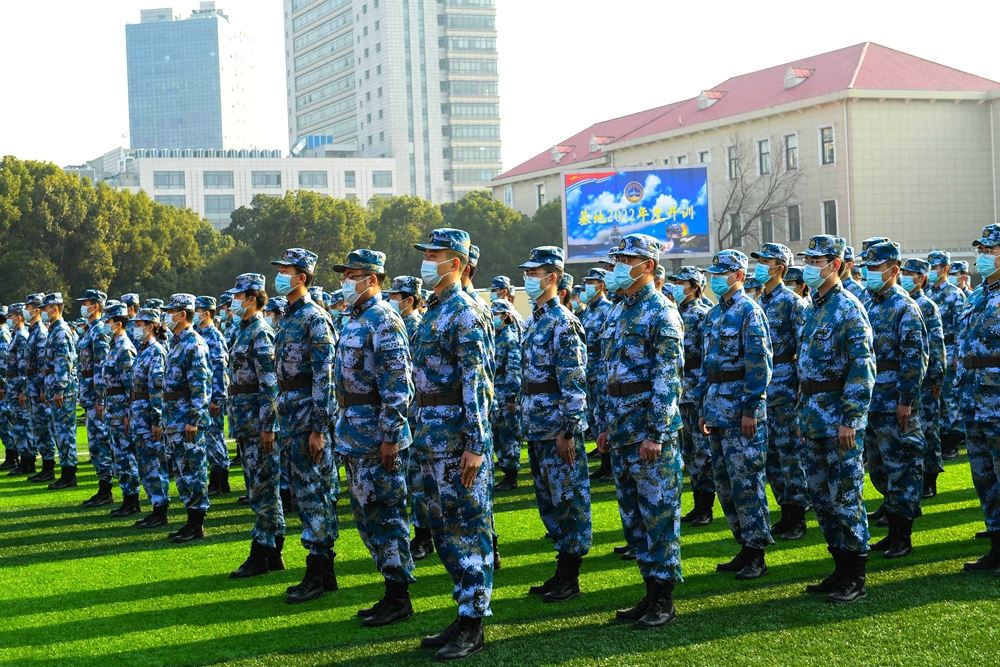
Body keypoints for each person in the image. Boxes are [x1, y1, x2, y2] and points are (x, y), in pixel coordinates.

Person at [410, 228, 493, 660]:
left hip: (458, 441)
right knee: (444, 534)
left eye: (435, 254)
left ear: (456, 263)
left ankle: (474, 623)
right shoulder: (436, 310)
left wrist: (476, 445)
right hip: (431, 438)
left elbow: (476, 385)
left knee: (467, 531)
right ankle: (463, 614)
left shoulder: (465, 313)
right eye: (427, 254)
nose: (427, 261)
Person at [596, 233, 684, 628]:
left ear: (648, 266)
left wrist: (657, 433)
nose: (618, 266)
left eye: (626, 260)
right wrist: (604, 425)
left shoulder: (661, 312)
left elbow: (668, 379)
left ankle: (664, 598)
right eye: (616, 260)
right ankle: (650, 592)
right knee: (634, 519)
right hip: (621, 432)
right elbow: (608, 376)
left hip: (648, 435)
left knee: (658, 516)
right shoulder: (619, 311)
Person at [332, 249, 417, 626]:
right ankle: (390, 590)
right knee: (368, 518)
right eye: (344, 275)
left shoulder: (384, 319)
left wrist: (391, 437)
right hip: (355, 435)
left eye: (351, 276)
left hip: (377, 438)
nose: (345, 281)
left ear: (372, 279)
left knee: (388, 516)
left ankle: (399, 597)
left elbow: (397, 386)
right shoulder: (355, 318)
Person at [796, 234, 875, 603]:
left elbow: (862, 368)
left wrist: (851, 418)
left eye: (817, 261)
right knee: (822, 500)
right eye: (809, 261)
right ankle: (839, 567)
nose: (810, 267)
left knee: (845, 497)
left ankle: (855, 576)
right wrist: (802, 415)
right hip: (813, 418)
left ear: (836, 265)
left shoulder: (848, 308)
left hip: (838, 421)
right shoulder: (814, 308)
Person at [518, 246, 591, 603]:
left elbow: (573, 382)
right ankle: (561, 570)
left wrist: (569, 430)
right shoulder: (535, 320)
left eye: (534, 274)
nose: (528, 279)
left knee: (568, 501)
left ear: (553, 278)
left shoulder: (563, 322)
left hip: (557, 428)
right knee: (550, 501)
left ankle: (570, 577)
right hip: (538, 426)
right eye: (528, 273)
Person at [697, 250, 774, 580]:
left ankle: (756, 552)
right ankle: (743, 545)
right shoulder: (714, 314)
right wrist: (703, 406)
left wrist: (751, 410)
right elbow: (707, 366)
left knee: (747, 483)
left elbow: (759, 365)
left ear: (739, 276)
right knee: (725, 485)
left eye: (722, 273)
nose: (716, 279)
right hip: (717, 410)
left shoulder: (749, 312)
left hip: (741, 413)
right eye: (713, 274)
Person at [271, 248, 340, 604]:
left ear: (302, 277)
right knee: (304, 494)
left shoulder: (314, 318)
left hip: (308, 421)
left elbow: (324, 377)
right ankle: (323, 573)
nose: (280, 275)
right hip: (291, 417)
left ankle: (318, 571)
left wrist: (319, 428)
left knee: (315, 494)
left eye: (286, 270)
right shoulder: (289, 317)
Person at [861, 241, 927, 559]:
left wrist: (906, 400)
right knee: (879, 468)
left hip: (895, 402)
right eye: (868, 267)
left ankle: (902, 536)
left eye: (875, 268)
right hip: (872, 401)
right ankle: (891, 530)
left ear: (894, 270)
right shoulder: (869, 304)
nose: (870, 273)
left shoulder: (905, 307)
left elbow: (915, 358)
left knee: (902, 468)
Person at [226, 273, 286, 579]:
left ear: (251, 298)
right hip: (247, 421)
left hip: (258, 423)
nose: (233, 301)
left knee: (263, 488)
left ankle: (261, 552)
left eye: (238, 296)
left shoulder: (260, 333)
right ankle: (274, 551)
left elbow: (269, 385)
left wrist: (268, 425)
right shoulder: (245, 330)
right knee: (261, 486)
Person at [751, 243, 809, 540]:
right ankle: (785, 511)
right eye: (759, 260)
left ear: (780, 269)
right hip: (764, 390)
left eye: (766, 261)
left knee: (790, 455)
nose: (760, 266)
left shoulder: (792, 303)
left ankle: (797, 515)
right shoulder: (757, 302)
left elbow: (805, 348)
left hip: (786, 389)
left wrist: (801, 391)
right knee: (771, 456)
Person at [958, 224, 1000, 574]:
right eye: (981, 250)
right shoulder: (977, 295)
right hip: (973, 400)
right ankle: (996, 547)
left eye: (990, 250)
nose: (983, 256)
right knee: (984, 477)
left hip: (997, 401)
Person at [162, 293, 212, 544]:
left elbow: (200, 386)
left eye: (171, 311)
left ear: (183, 315)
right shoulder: (178, 343)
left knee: (194, 470)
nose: (167, 316)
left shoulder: (194, 344)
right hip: (175, 418)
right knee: (182, 472)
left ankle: (197, 523)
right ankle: (190, 520)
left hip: (187, 420)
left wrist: (194, 418)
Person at [668, 266, 715, 527]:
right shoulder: (674, 312)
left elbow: (708, 356)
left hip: (696, 390)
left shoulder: (701, 315)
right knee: (688, 451)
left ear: (695, 286)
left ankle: (705, 506)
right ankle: (698, 505)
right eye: (675, 281)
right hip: (680, 391)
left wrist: (704, 392)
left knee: (702, 451)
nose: (676, 286)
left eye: (681, 282)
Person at [900, 258, 947, 498]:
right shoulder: (902, 303)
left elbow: (936, 345)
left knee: (929, 428)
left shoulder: (927, 306)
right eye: (904, 272)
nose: (906, 277)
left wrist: (937, 378)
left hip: (926, 380)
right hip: (907, 379)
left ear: (922, 278)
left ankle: (930, 478)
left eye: (911, 274)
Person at [98, 301, 142, 517]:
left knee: (126, 456)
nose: (105, 325)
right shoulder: (114, 346)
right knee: (119, 455)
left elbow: (130, 386)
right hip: (113, 409)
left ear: (118, 323)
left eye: (108, 321)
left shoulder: (125, 349)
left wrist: (127, 413)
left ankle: (132, 500)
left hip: (121, 411)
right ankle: (127, 498)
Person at [129, 308, 171, 528]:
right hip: (140, 414)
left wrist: (156, 420)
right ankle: (155, 506)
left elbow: (156, 389)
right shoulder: (143, 350)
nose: (135, 328)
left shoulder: (156, 351)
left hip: (148, 416)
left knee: (154, 463)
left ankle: (160, 509)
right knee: (145, 463)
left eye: (139, 324)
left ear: (151, 326)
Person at [926, 251, 967, 461]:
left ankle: (952, 440)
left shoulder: (955, 294)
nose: (932, 271)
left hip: (950, 347)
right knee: (935, 395)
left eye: (936, 267)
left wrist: (958, 355)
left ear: (946, 268)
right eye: (930, 267)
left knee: (950, 396)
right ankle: (939, 437)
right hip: (932, 350)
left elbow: (962, 326)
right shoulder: (927, 293)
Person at [76, 289, 116, 506]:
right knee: (95, 444)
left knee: (100, 442)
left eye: (87, 303)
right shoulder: (90, 330)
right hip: (89, 396)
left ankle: (106, 489)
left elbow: (101, 367)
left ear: (97, 306)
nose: (84, 306)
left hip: (96, 398)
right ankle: (103, 486)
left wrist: (100, 399)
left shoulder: (99, 331)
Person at [41, 292, 79, 489]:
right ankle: (66, 472)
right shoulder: (54, 330)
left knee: (65, 433)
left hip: (63, 391)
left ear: (54, 309)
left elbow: (63, 363)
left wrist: (59, 390)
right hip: (56, 388)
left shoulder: (61, 331)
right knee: (60, 432)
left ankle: (69, 475)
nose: (43, 312)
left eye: (45, 309)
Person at [194, 296, 231, 496]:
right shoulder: (198, 334)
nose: (194, 314)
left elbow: (219, 369)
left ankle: (220, 479)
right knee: (208, 438)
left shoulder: (214, 336)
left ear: (207, 313)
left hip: (212, 397)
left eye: (197, 311)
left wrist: (217, 398)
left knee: (215, 437)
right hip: (203, 396)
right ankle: (216, 478)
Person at [22, 293, 56, 484]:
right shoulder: (34, 331)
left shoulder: (41, 332)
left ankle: (49, 467)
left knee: (43, 427)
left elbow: (43, 363)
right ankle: (45, 466)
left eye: (28, 307)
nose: (25, 311)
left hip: (39, 387)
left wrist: (43, 388)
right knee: (38, 427)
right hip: (33, 386)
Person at [490, 299, 522, 491]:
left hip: (506, 393)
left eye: (497, 314)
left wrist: (512, 396)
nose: (494, 318)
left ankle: (511, 475)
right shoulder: (496, 336)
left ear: (506, 316)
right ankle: (505, 469)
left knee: (509, 434)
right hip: (496, 391)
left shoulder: (510, 337)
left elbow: (514, 368)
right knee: (498, 434)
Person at [4, 304, 34, 477]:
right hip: (13, 387)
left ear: (20, 317)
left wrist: (23, 389)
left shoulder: (22, 336)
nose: (9, 319)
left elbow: (23, 366)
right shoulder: (16, 335)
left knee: (23, 424)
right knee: (18, 424)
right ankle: (24, 460)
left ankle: (28, 461)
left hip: (19, 387)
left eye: (12, 316)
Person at [0, 304, 14, 471]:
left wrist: (2, 385)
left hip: (3, 387)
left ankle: (12, 455)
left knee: (4, 420)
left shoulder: (3, 334)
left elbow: (3, 362)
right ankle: (11, 455)